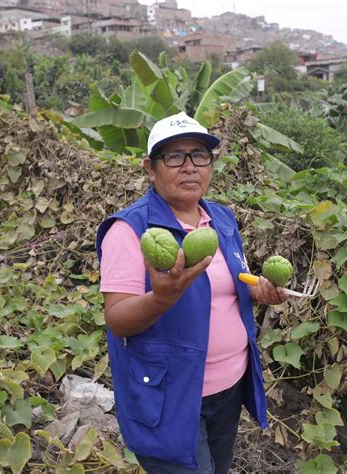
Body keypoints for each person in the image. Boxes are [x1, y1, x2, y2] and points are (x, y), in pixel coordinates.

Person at [96, 112, 289, 474]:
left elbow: (232, 285)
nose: (189, 167)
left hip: (229, 386)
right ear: (150, 169)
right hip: (170, 396)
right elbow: (117, 319)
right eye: (174, 156)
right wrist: (161, 298)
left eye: (199, 155)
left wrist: (258, 292)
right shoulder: (130, 230)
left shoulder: (221, 220)